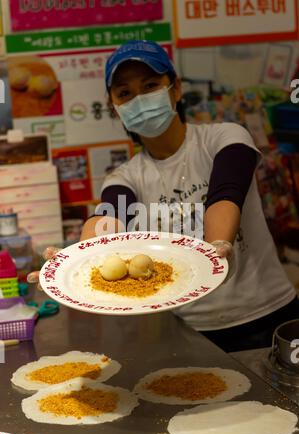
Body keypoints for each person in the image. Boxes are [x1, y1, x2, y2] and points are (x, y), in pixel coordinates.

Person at [28, 40, 299, 352]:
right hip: (191, 332)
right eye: (125, 93)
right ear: (115, 106)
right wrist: (75, 261)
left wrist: (216, 249)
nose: (139, 99)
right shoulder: (125, 176)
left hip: (268, 316)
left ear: (175, 89)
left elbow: (226, 194)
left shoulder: (225, 137)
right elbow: (108, 218)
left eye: (150, 85)